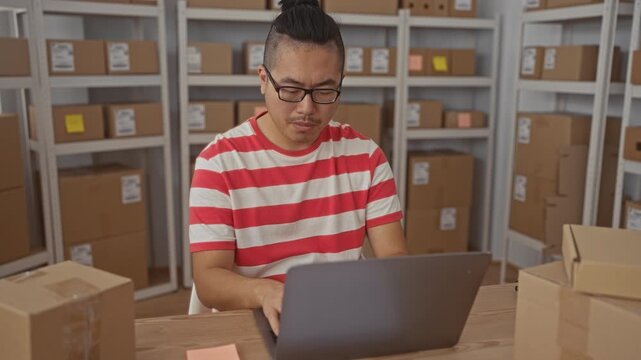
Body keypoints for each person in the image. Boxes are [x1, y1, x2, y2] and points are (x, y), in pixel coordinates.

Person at [190, 0, 407, 335]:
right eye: (290, 90)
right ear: (263, 79)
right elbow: (208, 280)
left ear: (341, 84)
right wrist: (267, 292)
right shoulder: (218, 162)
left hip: (341, 318)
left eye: (324, 91)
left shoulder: (366, 157)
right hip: (253, 320)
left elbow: (395, 259)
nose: (307, 108)